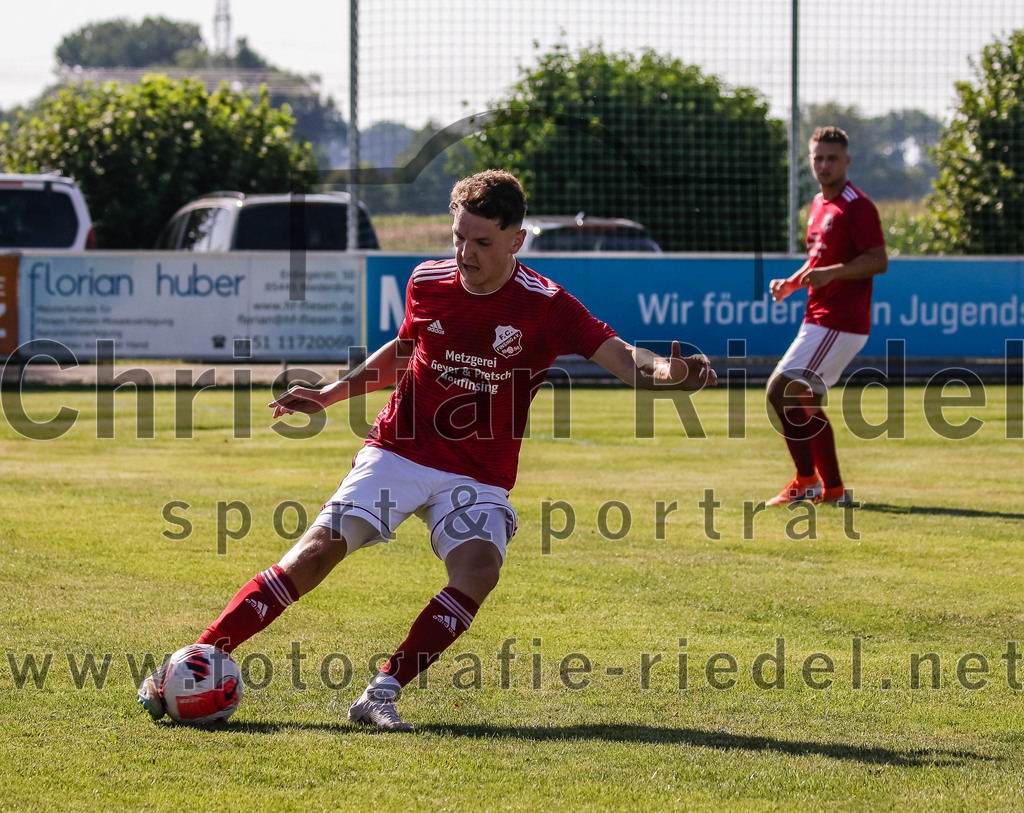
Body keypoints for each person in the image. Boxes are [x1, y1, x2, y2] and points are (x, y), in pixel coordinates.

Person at [138, 169, 717, 730]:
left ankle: (380, 693)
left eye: (482, 242)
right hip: (400, 449)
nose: (466, 253)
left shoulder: (547, 307)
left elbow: (623, 359)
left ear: (516, 240)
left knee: (478, 571)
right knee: (315, 553)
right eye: (459, 237)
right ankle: (189, 662)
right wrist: (333, 394)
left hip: (478, 471)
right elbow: (405, 349)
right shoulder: (428, 281)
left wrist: (670, 371)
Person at [765, 126, 888, 506]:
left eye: (831, 158)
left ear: (847, 161)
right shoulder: (819, 205)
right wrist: (794, 283)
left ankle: (807, 481)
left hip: (839, 321)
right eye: (817, 157)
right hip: (820, 317)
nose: (823, 164)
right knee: (805, 401)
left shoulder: (857, 206)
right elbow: (818, 261)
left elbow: (878, 260)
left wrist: (832, 273)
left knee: (778, 391)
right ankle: (832, 490)